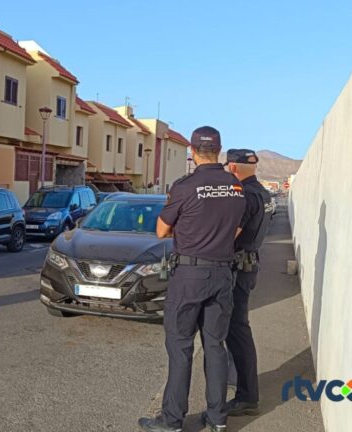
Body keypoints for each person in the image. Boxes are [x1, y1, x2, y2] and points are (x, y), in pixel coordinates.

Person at [139, 126, 245, 432]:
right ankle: (217, 419)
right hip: (223, 272)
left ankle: (172, 421)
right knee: (215, 346)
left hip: (189, 275)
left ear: (193, 151)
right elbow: (238, 229)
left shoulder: (185, 186)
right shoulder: (235, 187)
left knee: (181, 345)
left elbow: (161, 230)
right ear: (220, 150)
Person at [223, 149, 276, 417]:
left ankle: (246, 396)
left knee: (237, 330)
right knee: (239, 328)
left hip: (238, 268)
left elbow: (231, 234)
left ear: (232, 168)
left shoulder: (244, 195)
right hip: (249, 264)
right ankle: (244, 388)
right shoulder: (263, 193)